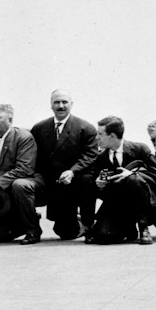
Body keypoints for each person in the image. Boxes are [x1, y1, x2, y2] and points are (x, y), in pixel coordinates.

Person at [30, 89, 98, 240]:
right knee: (65, 232)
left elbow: (90, 155)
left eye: (64, 102)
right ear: (51, 105)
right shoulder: (39, 128)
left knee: (88, 180)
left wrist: (73, 171)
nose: (61, 106)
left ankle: (88, 224)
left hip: (77, 179)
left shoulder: (86, 128)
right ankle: (73, 221)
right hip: (53, 183)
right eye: (56, 102)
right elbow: (34, 156)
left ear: (71, 104)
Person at [85, 116, 156, 245]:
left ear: (112, 136)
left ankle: (143, 228)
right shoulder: (101, 158)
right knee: (103, 237)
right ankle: (128, 228)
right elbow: (94, 189)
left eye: (100, 134)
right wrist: (99, 185)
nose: (97, 138)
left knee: (133, 179)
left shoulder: (140, 150)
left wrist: (132, 174)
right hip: (118, 206)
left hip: (144, 205)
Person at [0, 104, 40, 244]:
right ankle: (24, 220)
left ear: (10, 119)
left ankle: (33, 229)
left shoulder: (24, 137)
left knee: (20, 184)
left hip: (28, 184)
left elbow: (25, 169)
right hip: (6, 191)